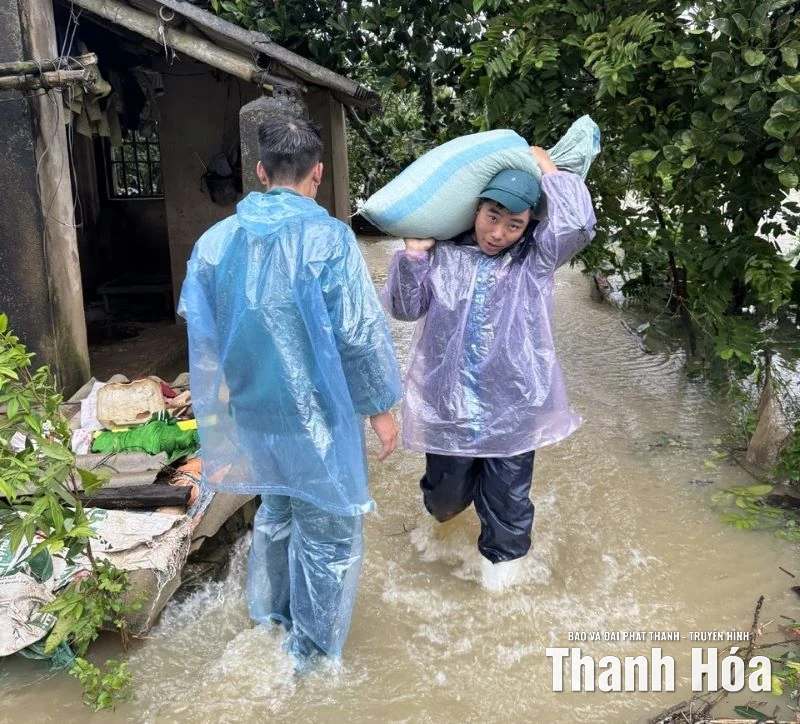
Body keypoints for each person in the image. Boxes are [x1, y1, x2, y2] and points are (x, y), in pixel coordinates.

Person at [178, 113, 402, 665]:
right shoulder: (331, 239)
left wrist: (219, 424)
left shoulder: (214, 243)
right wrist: (380, 408)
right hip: (320, 418)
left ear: (258, 171)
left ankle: (270, 620)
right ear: (317, 173)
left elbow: (203, 335)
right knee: (327, 533)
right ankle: (314, 659)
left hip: (256, 414)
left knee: (275, 514)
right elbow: (357, 332)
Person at [381, 147, 596, 592]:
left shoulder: (534, 260)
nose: (498, 232)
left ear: (528, 227)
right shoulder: (443, 254)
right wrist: (415, 255)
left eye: (514, 224)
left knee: (508, 506)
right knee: (445, 499)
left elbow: (578, 224)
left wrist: (547, 167)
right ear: (476, 207)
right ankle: (444, 522)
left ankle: (498, 593)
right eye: (492, 216)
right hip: (448, 404)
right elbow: (404, 309)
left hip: (514, 406)